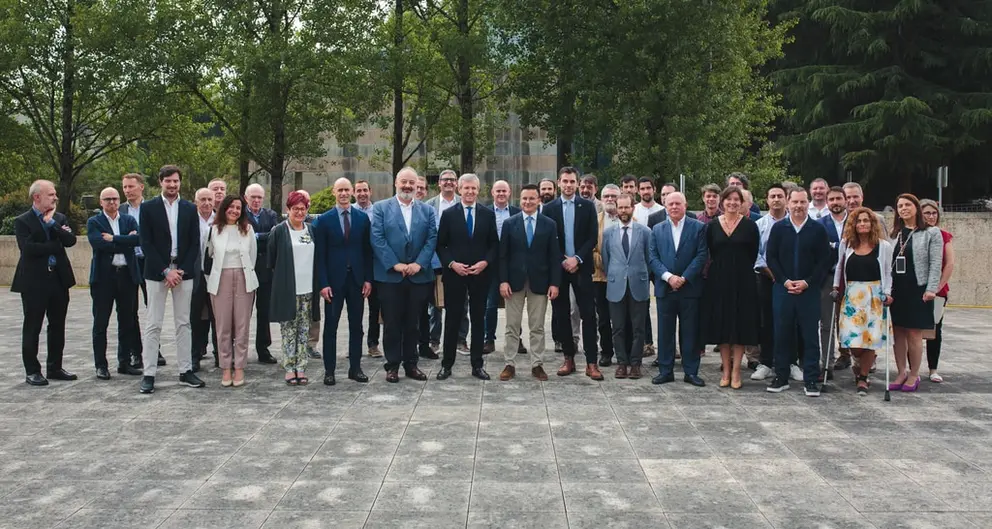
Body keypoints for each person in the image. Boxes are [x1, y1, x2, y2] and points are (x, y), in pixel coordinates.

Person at [137, 165, 205, 394]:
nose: (173, 185)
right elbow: (146, 243)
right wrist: (166, 271)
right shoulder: (148, 208)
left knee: (184, 322)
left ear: (180, 183)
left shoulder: (189, 208)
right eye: (168, 181)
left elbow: (195, 243)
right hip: (157, 272)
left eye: (176, 181)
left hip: (183, 272)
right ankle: (149, 373)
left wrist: (181, 270)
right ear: (160, 182)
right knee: (153, 323)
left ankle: (186, 371)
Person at [371, 167, 437, 383]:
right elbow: (377, 239)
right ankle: (392, 366)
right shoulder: (381, 208)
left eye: (412, 183)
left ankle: (411, 364)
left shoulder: (427, 211)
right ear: (396, 183)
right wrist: (396, 265)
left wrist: (419, 264)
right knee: (391, 323)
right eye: (404, 182)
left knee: (414, 323)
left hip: (418, 276)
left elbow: (431, 239)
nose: (408, 186)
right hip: (391, 277)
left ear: (417, 186)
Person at [766, 187, 831, 397]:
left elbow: (824, 262)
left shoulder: (818, 229)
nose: (799, 206)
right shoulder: (778, 229)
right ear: (788, 203)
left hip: (809, 291)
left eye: (803, 202)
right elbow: (771, 258)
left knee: (810, 336)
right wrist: (784, 281)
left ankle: (811, 379)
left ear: (807, 203)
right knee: (782, 334)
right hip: (783, 290)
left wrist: (807, 282)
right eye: (795, 202)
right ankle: (781, 377)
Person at [12, 180, 78, 386]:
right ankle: (32, 370)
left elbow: (70, 240)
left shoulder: (59, 218)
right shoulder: (23, 221)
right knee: (33, 326)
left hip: (58, 279)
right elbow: (28, 248)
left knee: (57, 325)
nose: (55, 198)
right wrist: (52, 245)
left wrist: (52, 224)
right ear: (37, 197)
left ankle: (54, 367)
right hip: (34, 282)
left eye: (55, 194)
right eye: (50, 194)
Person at [436, 173, 500, 381]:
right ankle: (447, 365)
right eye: (466, 188)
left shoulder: (487, 214)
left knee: (478, 319)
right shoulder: (449, 214)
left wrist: (485, 262)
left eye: (474, 188)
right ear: (459, 189)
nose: (470, 192)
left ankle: (477, 365)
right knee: (452, 320)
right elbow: (441, 245)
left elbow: (494, 245)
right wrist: (452, 264)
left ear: (478, 190)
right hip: (455, 275)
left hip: (480, 275)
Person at [543, 166, 602, 380]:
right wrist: (563, 260)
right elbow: (548, 241)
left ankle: (591, 362)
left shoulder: (587, 207)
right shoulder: (549, 208)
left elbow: (592, 237)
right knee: (562, 315)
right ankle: (568, 358)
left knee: (588, 315)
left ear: (577, 184)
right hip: (559, 270)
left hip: (582, 267)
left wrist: (576, 258)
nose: (568, 185)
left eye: (572, 181)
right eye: (565, 181)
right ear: (559, 183)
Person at [498, 184, 561, 381]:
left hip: (540, 282)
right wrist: (503, 281)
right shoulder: (510, 223)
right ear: (520, 199)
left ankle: (537, 364)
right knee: (512, 326)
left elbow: (554, 256)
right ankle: (509, 363)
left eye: (532, 199)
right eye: (524, 199)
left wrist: (554, 283)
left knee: (537, 326)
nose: (527, 202)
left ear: (538, 200)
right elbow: (503, 256)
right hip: (514, 282)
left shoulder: (549, 224)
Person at [700, 186, 760, 389]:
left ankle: (736, 371)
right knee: (723, 327)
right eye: (729, 199)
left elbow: (753, 254)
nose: (733, 203)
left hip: (743, 281)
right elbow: (710, 252)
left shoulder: (750, 226)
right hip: (718, 280)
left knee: (740, 326)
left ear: (742, 202)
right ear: (722, 202)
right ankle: (725, 369)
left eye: (737, 199)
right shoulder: (712, 226)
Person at [314, 178, 373, 386]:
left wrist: (368, 279)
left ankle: (355, 368)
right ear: (334, 192)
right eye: (340, 190)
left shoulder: (362, 219)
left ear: (352, 192)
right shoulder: (324, 220)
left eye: (347, 190)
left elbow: (367, 252)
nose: (344, 193)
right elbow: (319, 255)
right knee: (331, 327)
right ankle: (329, 371)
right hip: (333, 282)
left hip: (356, 281)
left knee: (357, 326)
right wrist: (323, 283)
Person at [649, 192, 708, 386]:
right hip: (665, 288)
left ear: (685, 205)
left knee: (689, 331)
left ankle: (691, 371)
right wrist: (668, 277)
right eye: (670, 204)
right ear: (665, 205)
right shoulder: (657, 229)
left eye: (678, 203)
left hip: (689, 288)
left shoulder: (698, 227)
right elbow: (652, 258)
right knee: (665, 331)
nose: (674, 207)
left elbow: (701, 255)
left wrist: (683, 278)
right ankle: (665, 371)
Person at [832, 207, 893, 395]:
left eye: (866, 220)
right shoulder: (847, 244)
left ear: (872, 223)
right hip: (852, 297)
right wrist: (835, 287)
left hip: (874, 297)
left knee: (870, 341)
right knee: (853, 342)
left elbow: (888, 271)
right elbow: (839, 268)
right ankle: (858, 364)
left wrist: (888, 292)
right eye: (859, 221)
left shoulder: (883, 246)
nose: (863, 224)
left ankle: (863, 377)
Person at [887, 194, 943, 393]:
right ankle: (901, 371)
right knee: (898, 333)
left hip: (918, 288)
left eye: (907, 205)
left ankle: (914, 374)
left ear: (916, 208)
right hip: (897, 289)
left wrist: (931, 289)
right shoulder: (895, 234)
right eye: (900, 205)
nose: (903, 209)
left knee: (914, 333)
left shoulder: (931, 233)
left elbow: (936, 263)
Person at [87, 187, 143, 380]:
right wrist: (125, 241)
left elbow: (138, 240)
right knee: (101, 322)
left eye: (115, 199)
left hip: (127, 276)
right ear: (101, 202)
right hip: (104, 278)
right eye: (107, 199)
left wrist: (115, 238)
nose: (112, 202)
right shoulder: (94, 222)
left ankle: (124, 362)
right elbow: (99, 244)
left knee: (127, 320)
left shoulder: (128, 219)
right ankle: (101, 365)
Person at [204, 195, 258, 387]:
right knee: (223, 326)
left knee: (242, 327)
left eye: (238, 208)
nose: (235, 211)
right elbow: (209, 254)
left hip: (244, 279)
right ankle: (225, 368)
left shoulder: (248, 229)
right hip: (220, 281)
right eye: (231, 207)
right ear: (224, 208)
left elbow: (253, 256)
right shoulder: (213, 230)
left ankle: (240, 367)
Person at [268, 191, 319, 385]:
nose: (299, 212)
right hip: (288, 289)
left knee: (304, 329)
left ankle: (301, 366)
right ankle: (289, 367)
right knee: (289, 330)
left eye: (303, 208)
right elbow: (272, 259)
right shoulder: (279, 231)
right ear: (287, 209)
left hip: (308, 290)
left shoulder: (311, 230)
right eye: (295, 208)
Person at [602, 194, 652, 379]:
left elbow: (648, 258)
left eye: (626, 207)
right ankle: (622, 363)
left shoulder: (645, 232)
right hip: (616, 286)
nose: (623, 211)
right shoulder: (608, 233)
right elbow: (607, 260)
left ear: (633, 208)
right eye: (620, 207)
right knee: (618, 327)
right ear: (616, 208)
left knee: (638, 328)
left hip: (638, 285)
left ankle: (636, 363)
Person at [120, 173, 165, 369]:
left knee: (153, 307)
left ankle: (155, 348)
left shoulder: (154, 208)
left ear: (141, 187)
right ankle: (136, 352)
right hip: (129, 263)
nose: (128, 190)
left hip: (150, 261)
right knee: (129, 311)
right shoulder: (120, 210)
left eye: (131, 186)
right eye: (125, 187)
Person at [423, 169, 468, 356]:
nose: (449, 182)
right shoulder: (429, 205)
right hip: (436, 261)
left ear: (457, 183)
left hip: (460, 262)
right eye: (445, 180)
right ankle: (434, 340)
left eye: (452, 179)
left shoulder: (464, 203)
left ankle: (460, 340)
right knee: (435, 304)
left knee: (462, 303)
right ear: (439, 183)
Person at [751, 183, 789, 381]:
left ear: (786, 199)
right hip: (766, 278)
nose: (776, 199)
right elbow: (755, 252)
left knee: (790, 321)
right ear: (766, 200)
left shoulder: (795, 223)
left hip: (791, 280)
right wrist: (770, 271)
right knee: (766, 322)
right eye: (772, 196)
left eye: (779, 196)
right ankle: (766, 362)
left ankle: (791, 362)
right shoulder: (759, 225)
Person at [244, 183, 281, 364]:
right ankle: (240, 347)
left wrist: (254, 236)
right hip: (246, 267)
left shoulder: (271, 215)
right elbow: (242, 238)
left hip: (266, 268)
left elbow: (275, 236)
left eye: (259, 197)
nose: (257, 200)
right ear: (246, 198)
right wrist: (261, 237)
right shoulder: (240, 214)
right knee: (244, 311)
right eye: (253, 197)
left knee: (264, 311)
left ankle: (263, 348)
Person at [483, 180, 520, 354]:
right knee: (490, 304)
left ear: (509, 192)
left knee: (515, 304)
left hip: (513, 265)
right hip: (491, 265)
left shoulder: (517, 213)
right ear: (492, 192)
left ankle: (516, 339)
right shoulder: (485, 212)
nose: (501, 194)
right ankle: (489, 339)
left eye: (504, 191)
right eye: (498, 191)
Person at [920, 199, 953, 383]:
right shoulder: (914, 235)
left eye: (934, 213)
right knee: (913, 331)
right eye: (927, 213)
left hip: (937, 292)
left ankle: (933, 369)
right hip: (915, 290)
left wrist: (937, 287)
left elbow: (949, 263)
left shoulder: (944, 235)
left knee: (934, 331)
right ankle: (912, 368)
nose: (931, 217)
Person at [819, 186, 849, 373]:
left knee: (850, 321)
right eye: (832, 199)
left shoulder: (856, 221)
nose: (835, 202)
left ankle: (852, 359)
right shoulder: (820, 224)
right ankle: (827, 362)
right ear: (827, 202)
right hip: (828, 278)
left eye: (839, 199)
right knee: (827, 322)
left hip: (852, 279)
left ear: (845, 200)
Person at [190, 188, 219, 371]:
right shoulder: (189, 220)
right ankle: (194, 357)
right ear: (196, 202)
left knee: (218, 318)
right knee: (194, 318)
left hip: (216, 275)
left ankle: (220, 356)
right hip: (195, 275)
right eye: (203, 199)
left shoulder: (221, 221)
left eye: (210, 199)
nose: (207, 203)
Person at [593, 184, 621, 366]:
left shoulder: (630, 219)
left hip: (623, 278)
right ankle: (606, 352)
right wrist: (604, 265)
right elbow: (592, 248)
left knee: (622, 318)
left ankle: (623, 352)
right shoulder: (594, 221)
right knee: (603, 319)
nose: (610, 199)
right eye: (606, 196)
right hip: (600, 277)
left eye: (613, 196)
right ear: (601, 199)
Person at [354, 180, 382, 358]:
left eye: (365, 190)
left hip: (375, 265)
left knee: (375, 308)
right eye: (359, 191)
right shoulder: (349, 211)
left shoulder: (379, 211)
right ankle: (354, 344)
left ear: (370, 191)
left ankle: (373, 344)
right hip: (355, 266)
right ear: (353, 193)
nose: (362, 193)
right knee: (355, 309)